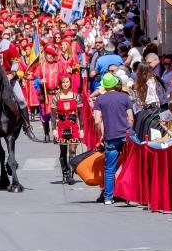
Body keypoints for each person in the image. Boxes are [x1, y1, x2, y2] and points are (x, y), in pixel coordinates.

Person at [92, 73, 133, 204]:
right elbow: (130, 118)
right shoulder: (125, 97)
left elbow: (97, 121)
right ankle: (129, 194)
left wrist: (101, 135)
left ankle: (108, 197)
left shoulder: (100, 100)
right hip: (126, 135)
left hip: (111, 136)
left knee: (110, 168)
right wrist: (129, 130)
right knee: (129, 165)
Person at [52, 75, 82, 184]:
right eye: (63, 82)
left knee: (72, 150)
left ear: (70, 83)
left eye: (67, 82)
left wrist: (81, 129)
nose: (65, 84)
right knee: (63, 152)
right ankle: (64, 173)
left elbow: (80, 114)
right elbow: (53, 115)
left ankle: (71, 174)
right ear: (61, 84)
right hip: (61, 126)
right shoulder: (56, 98)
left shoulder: (76, 96)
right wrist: (54, 129)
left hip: (73, 126)